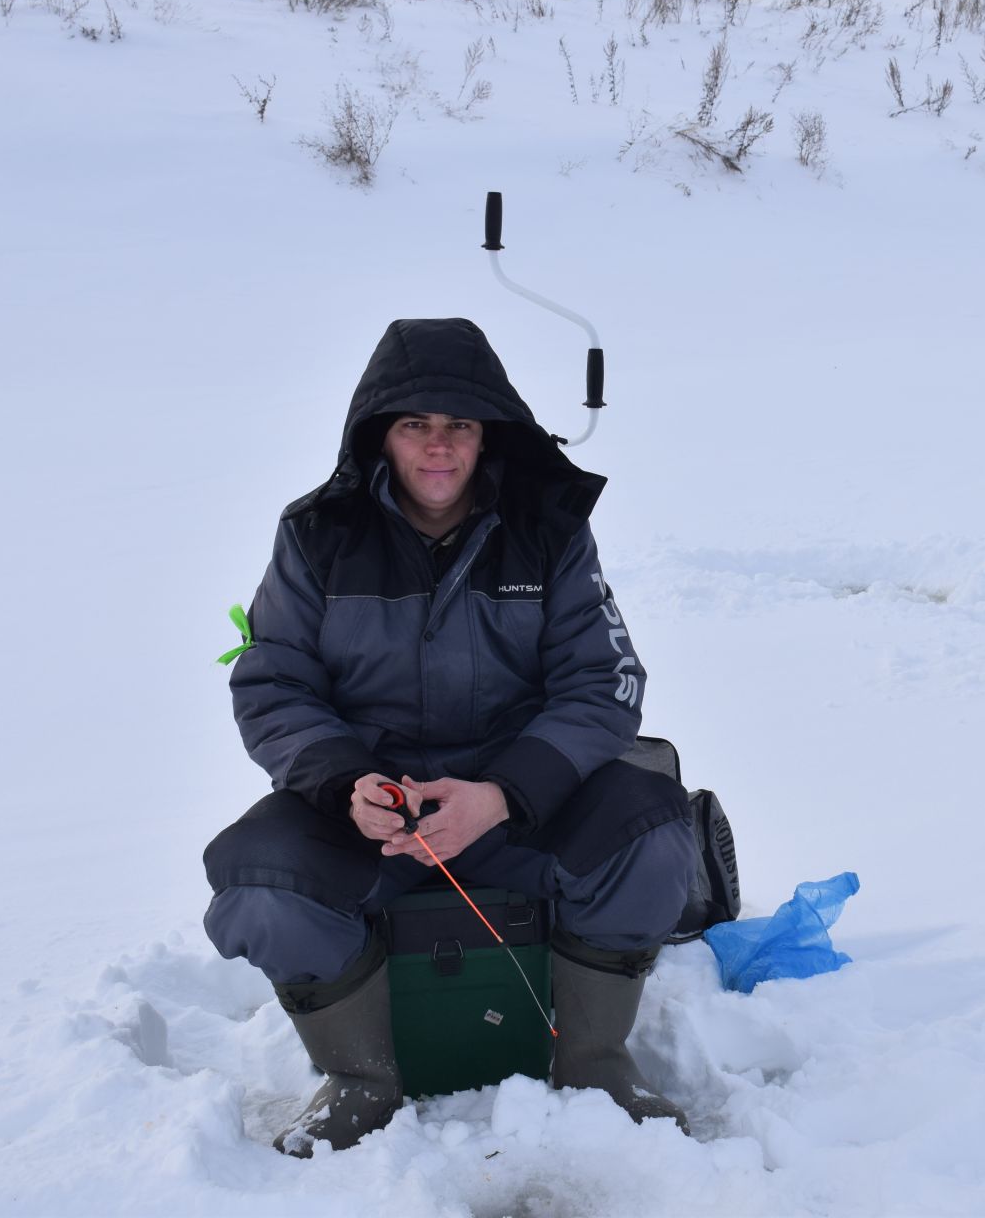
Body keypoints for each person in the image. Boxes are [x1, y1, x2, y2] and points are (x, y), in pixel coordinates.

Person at [203, 318, 696, 1155]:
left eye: (458, 425)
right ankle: (360, 1078)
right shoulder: (318, 535)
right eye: (414, 425)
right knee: (257, 882)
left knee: (652, 830)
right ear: (379, 436)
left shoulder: (548, 529)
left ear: (487, 433)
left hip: (519, 810)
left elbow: (605, 683)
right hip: (371, 821)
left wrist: (503, 794)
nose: (438, 447)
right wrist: (346, 784)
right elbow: (273, 681)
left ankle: (594, 1061)